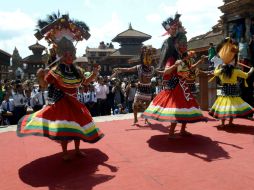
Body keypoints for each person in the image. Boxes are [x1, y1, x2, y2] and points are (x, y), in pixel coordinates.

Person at [17, 13, 104, 161]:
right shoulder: (55, 70)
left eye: (72, 53)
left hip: (76, 103)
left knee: (78, 127)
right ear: (62, 55)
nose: (70, 56)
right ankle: (65, 152)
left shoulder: (77, 70)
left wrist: (95, 73)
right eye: (67, 54)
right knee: (65, 128)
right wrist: (40, 76)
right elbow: (44, 85)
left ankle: (77, 150)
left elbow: (86, 81)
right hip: (62, 103)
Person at [142, 13, 207, 138]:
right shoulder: (172, 59)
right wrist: (175, 65)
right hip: (176, 86)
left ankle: (182, 130)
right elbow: (166, 72)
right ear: (176, 46)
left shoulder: (184, 58)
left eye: (185, 45)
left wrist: (199, 62)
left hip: (183, 86)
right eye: (182, 45)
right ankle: (171, 133)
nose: (184, 46)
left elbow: (191, 68)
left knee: (186, 107)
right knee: (177, 108)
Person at [209, 37, 254, 128]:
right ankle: (230, 122)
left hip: (225, 91)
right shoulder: (235, 70)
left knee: (224, 107)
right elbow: (246, 75)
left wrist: (219, 66)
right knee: (232, 107)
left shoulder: (221, 70)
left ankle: (223, 123)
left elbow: (215, 72)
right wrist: (252, 69)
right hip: (233, 91)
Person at [113, 45, 157, 125]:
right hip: (140, 88)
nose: (147, 59)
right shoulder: (139, 67)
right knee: (135, 104)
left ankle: (146, 119)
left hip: (148, 88)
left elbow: (159, 72)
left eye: (149, 57)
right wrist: (120, 69)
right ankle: (135, 119)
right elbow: (128, 69)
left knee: (147, 105)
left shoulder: (152, 68)